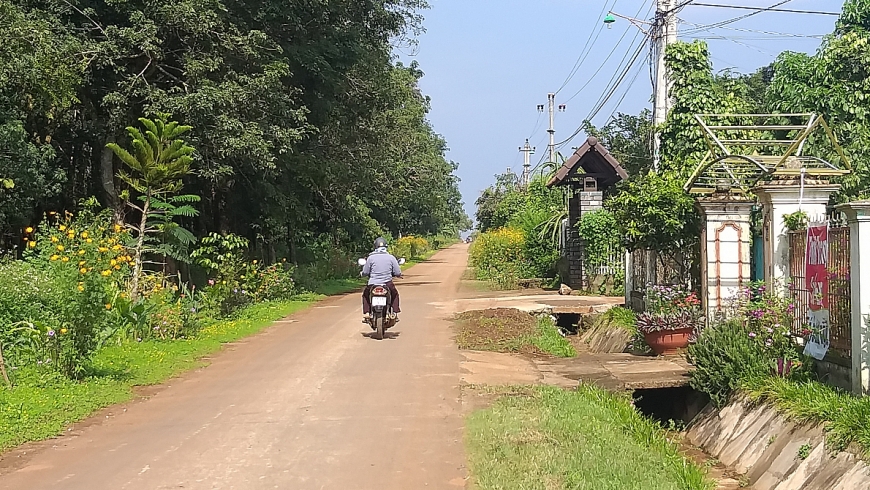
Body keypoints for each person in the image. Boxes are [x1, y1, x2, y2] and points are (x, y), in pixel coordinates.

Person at [361, 237, 402, 323]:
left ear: (375, 247)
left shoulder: (371, 258)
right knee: (394, 294)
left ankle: (367, 312)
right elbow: (397, 272)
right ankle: (394, 312)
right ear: (386, 247)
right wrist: (397, 275)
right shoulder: (391, 258)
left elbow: (365, 272)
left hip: (372, 284)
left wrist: (362, 274)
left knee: (366, 294)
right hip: (387, 283)